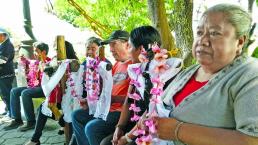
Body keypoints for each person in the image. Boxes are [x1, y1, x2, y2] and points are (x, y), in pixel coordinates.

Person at [139, 4, 258, 145]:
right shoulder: (189, 72)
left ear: (239, 42)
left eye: (215, 33)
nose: (203, 40)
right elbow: (160, 107)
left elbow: (252, 140)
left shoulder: (250, 76)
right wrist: (148, 120)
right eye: (200, 33)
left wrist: (178, 131)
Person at [101, 26, 182, 145]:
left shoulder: (164, 72)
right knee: (106, 142)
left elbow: (152, 113)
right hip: (137, 123)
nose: (129, 51)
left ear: (140, 49)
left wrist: (127, 138)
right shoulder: (137, 70)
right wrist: (120, 127)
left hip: (156, 129)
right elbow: (128, 101)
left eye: (130, 47)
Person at [71, 30, 134, 145]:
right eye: (109, 45)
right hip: (107, 108)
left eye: (114, 44)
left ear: (127, 44)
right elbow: (106, 91)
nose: (110, 49)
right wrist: (91, 101)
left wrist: (112, 99)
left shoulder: (134, 66)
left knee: (92, 128)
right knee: (76, 115)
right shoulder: (116, 64)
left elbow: (134, 99)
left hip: (121, 112)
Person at [25, 40, 79, 145]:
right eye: (55, 49)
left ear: (65, 50)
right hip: (59, 95)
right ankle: (37, 138)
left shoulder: (73, 63)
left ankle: (36, 139)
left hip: (72, 98)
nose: (55, 52)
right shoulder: (56, 61)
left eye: (57, 49)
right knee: (44, 106)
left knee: (44, 107)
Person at [3, 42, 51, 131]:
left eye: (36, 51)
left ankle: (31, 122)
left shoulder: (49, 62)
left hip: (45, 88)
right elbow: (29, 64)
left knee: (26, 93)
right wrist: (24, 60)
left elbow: (48, 77)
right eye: (34, 51)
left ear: (43, 52)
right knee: (14, 91)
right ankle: (17, 119)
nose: (34, 53)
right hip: (35, 86)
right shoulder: (36, 62)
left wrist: (43, 65)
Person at [0, 27, 15, 118]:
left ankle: (11, 111)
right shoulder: (3, 45)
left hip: (6, 74)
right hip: (3, 74)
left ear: (5, 36)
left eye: (1, 35)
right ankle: (8, 109)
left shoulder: (8, 45)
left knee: (6, 93)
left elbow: (3, 60)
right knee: (3, 93)